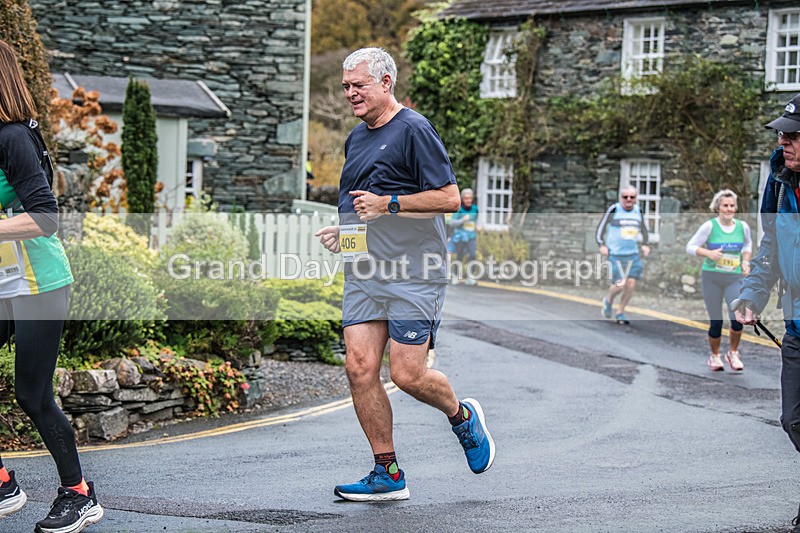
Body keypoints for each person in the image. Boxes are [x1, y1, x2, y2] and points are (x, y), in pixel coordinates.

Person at [314, 47, 495, 502]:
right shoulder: (357, 138)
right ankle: (387, 472)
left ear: (386, 83)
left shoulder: (415, 129)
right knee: (359, 368)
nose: (350, 93)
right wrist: (345, 236)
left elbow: (450, 197)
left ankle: (461, 416)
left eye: (359, 85)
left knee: (409, 376)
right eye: (346, 87)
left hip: (415, 272)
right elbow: (358, 208)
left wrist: (389, 203)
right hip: (366, 273)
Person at [0, 41, 104, 532]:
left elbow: (45, 217)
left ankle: (78, 493)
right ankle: (2, 484)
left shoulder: (13, 136)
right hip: (4, 282)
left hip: (39, 282)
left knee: (33, 395)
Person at [734, 93, 800, 532]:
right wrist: (751, 295)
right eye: (782, 134)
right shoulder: (778, 179)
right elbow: (770, 246)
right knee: (793, 419)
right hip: (796, 322)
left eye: (793, 136)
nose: (784, 142)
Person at [686, 189, 751, 371]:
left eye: (732, 206)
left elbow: (747, 244)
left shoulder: (742, 227)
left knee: (737, 317)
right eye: (725, 206)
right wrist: (708, 253)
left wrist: (745, 261)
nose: (729, 209)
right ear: (718, 207)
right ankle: (714, 356)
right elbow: (690, 246)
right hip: (712, 277)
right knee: (716, 321)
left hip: (734, 277)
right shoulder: (709, 226)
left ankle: (733, 352)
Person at [596, 185, 651, 324]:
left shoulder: (638, 211)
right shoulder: (614, 209)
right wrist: (601, 245)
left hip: (632, 253)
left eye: (631, 197)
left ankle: (620, 312)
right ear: (621, 198)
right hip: (616, 253)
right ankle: (608, 300)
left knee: (631, 284)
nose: (628, 200)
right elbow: (601, 227)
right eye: (625, 197)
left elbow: (644, 229)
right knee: (620, 284)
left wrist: (645, 244)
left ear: (635, 199)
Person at [447, 188, 478, 285]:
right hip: (460, 236)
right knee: (460, 256)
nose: (468, 200)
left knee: (473, 255)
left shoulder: (475, 209)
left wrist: (478, 226)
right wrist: (462, 220)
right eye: (466, 198)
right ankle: (455, 275)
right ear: (462, 199)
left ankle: (470, 277)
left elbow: (475, 220)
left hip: (471, 236)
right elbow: (451, 223)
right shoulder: (459, 209)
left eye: (470, 198)